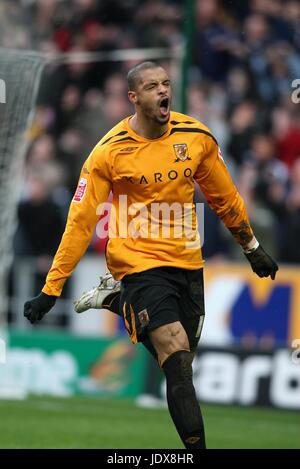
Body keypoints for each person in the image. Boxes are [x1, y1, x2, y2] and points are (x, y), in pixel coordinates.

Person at [24, 61, 278, 449]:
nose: (163, 91)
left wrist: (251, 247)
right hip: (138, 262)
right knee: (175, 355)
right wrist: (52, 286)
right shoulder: (108, 153)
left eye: (166, 84)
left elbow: (224, 197)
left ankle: (116, 300)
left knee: (180, 363)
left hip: (188, 262)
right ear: (134, 97)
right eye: (152, 86)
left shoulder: (196, 137)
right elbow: (80, 221)